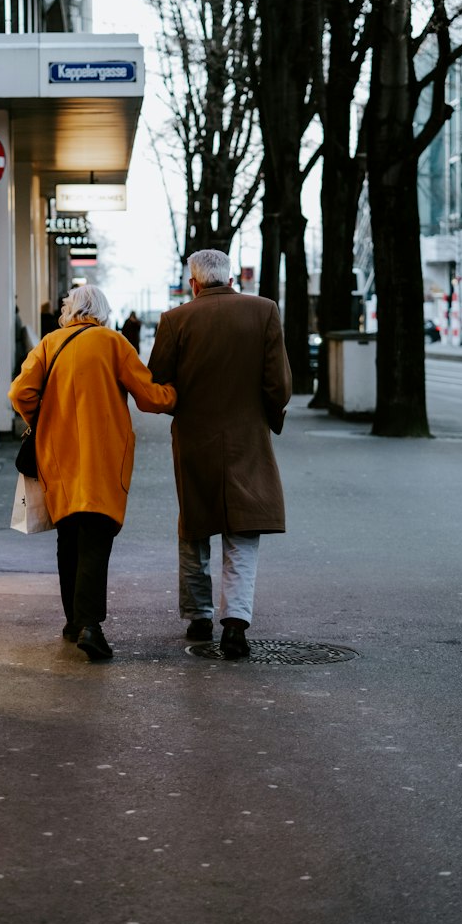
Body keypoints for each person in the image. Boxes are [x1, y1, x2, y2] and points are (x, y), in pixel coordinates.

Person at [9, 284, 177, 661]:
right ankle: (90, 625)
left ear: (69, 311)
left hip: (59, 456)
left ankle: (73, 621)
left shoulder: (50, 344)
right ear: (102, 311)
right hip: (102, 457)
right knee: (96, 536)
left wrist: (43, 419)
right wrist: (177, 394)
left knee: (68, 535)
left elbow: (21, 392)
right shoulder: (113, 343)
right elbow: (150, 397)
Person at [149, 248, 292, 660]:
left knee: (194, 528)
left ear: (193, 283)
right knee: (243, 532)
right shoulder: (264, 311)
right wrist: (266, 417)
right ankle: (236, 625)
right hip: (248, 438)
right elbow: (278, 384)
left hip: (195, 439)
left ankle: (198, 616)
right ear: (230, 278)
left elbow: (160, 384)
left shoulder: (175, 320)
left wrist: (184, 407)